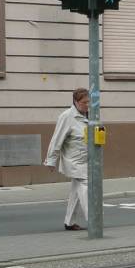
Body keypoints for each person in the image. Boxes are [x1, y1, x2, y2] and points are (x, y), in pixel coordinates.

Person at [45, 88, 90, 231]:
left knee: (76, 191)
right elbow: (56, 139)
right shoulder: (67, 116)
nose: (87, 105)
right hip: (74, 160)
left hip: (87, 159)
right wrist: (51, 160)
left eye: (89, 102)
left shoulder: (91, 114)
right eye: (84, 102)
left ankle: (69, 222)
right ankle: (94, 219)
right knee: (85, 186)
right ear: (76, 102)